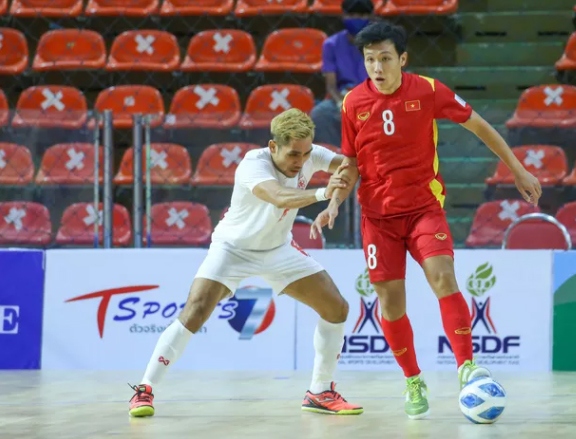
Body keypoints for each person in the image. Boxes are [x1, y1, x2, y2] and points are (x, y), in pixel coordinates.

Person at [310, 22, 542, 420]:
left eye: (385, 58)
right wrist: (333, 200)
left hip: (423, 208)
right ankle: (413, 379)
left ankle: (466, 366)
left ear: (403, 59)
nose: (377, 67)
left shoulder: (429, 91)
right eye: (370, 60)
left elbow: (480, 126)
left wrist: (518, 170)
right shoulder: (351, 104)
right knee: (390, 300)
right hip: (378, 218)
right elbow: (350, 162)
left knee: (443, 276)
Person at [128, 108, 363, 417]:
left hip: (278, 249)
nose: (301, 161)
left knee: (337, 308)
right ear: (273, 146)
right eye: (294, 154)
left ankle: (320, 391)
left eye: (306, 153)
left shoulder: (309, 154)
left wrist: (334, 203)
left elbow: (352, 165)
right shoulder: (253, 164)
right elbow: (278, 196)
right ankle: (145, 389)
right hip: (232, 250)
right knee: (195, 310)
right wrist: (322, 192)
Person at [310, 0, 373, 147]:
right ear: (343, 16)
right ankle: (336, 157)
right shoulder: (331, 44)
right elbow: (331, 86)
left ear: (371, 17)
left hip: (374, 97)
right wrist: (340, 103)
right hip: (343, 97)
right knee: (320, 114)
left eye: (362, 15)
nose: (357, 19)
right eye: (352, 14)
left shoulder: (381, 43)